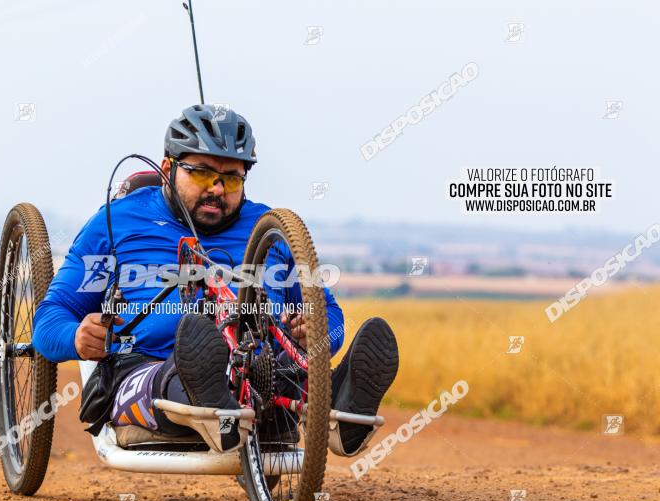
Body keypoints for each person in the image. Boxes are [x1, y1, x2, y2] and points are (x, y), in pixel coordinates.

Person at [33, 104, 399, 455]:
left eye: (231, 178)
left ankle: (343, 411)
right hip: (149, 369)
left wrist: (315, 331)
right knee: (189, 361)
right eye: (203, 174)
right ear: (167, 167)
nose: (218, 189)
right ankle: (210, 397)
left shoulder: (271, 229)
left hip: (260, 371)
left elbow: (330, 316)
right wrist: (76, 336)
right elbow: (52, 317)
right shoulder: (118, 223)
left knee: (284, 373)